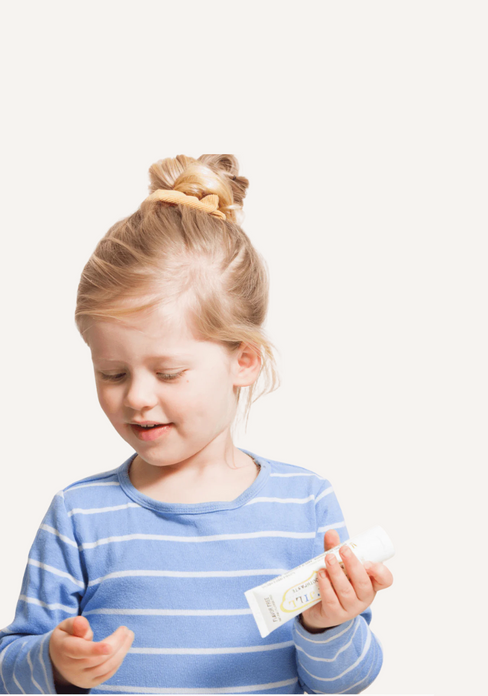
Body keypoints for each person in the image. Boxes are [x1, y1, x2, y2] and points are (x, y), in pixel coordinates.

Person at [0, 154, 393, 694]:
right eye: (112, 372)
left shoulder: (304, 507)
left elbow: (345, 683)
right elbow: (9, 668)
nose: (136, 396)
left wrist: (328, 624)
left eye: (168, 372)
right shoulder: (79, 516)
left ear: (244, 360)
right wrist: (52, 663)